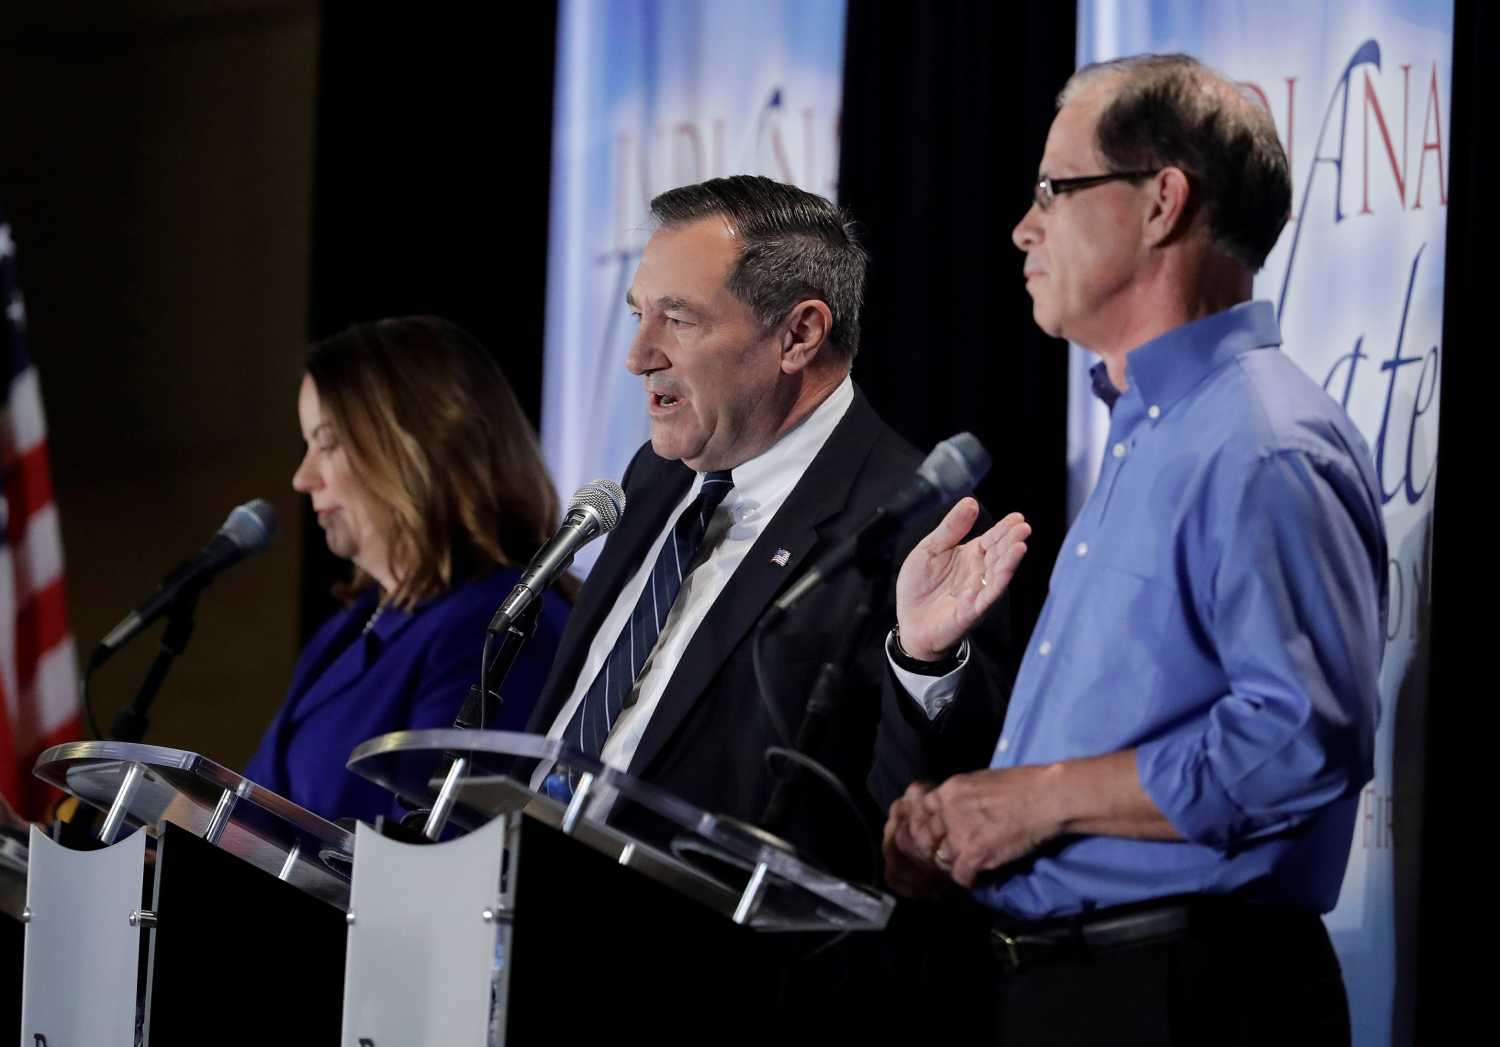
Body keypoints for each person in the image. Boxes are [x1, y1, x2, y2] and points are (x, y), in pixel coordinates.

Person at [882, 54, 1387, 1044]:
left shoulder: (1261, 442)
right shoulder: (1145, 433)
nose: (1023, 227)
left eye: (1053, 190)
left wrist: (1037, 802)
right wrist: (964, 822)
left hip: (1187, 998)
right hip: (1067, 989)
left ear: (1162, 203)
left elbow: (1298, 739)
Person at [522, 175, 1025, 881]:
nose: (638, 356)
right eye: (639, 314)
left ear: (799, 333)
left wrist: (925, 666)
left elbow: (920, 828)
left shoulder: (912, 524)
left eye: (679, 318)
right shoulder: (655, 477)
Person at [245, 316, 570, 825]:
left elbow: (428, 843)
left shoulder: (504, 626)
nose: (302, 478)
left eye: (327, 443)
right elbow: (256, 816)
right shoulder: (348, 628)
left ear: (413, 445)